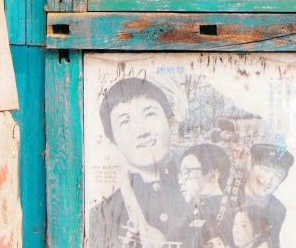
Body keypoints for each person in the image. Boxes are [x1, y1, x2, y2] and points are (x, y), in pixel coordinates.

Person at [84, 78, 191, 248]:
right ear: (113, 142)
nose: (142, 131)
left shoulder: (203, 193)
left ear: (170, 121)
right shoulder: (102, 215)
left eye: (149, 114)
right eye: (125, 121)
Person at [177, 143, 236, 248]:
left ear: (213, 175)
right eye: (180, 175)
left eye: (186, 172)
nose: (181, 181)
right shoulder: (196, 213)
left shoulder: (230, 216)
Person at [237, 144, 293, 248]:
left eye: (277, 175)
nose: (268, 180)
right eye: (265, 169)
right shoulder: (231, 195)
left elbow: (273, 243)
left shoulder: (278, 210)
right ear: (250, 165)